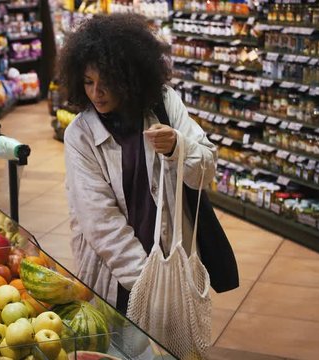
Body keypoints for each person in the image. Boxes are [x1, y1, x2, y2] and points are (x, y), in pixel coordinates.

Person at [58, 14, 217, 313]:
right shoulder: (80, 135)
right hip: (114, 269)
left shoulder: (165, 105)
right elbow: (101, 222)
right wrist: (148, 284)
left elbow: (206, 170)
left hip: (170, 258)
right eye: (88, 82)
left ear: (129, 78)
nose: (96, 93)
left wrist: (177, 147)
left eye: (106, 83)